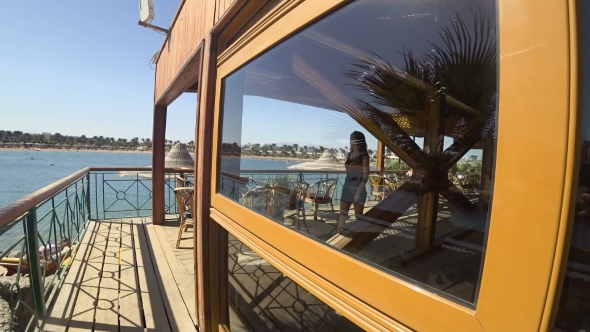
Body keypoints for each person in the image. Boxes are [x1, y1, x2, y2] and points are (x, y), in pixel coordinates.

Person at [337, 131, 370, 234]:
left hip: (358, 189)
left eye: (354, 139)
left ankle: (360, 238)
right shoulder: (349, 154)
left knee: (358, 216)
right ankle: (338, 236)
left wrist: (358, 192)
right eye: (351, 139)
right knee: (342, 213)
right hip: (347, 187)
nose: (351, 141)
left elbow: (365, 176)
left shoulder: (364, 157)